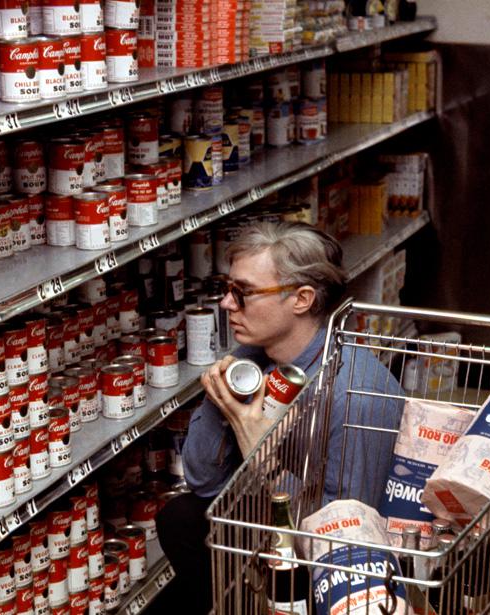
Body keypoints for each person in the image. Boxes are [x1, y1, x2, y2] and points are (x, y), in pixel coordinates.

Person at [154, 221, 405, 614]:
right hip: (269, 527)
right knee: (181, 519)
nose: (226, 304)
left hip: (333, 563)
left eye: (244, 293)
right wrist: (224, 402)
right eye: (227, 288)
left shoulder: (355, 395)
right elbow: (203, 483)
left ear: (302, 299)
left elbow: (342, 541)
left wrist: (262, 454)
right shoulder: (254, 361)